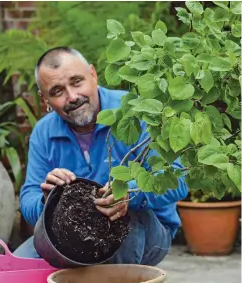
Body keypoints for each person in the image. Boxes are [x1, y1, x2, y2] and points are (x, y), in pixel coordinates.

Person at [15, 46, 188, 265]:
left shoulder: (135, 112)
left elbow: (178, 181)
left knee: (121, 220)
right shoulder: (43, 132)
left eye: (77, 82)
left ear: (93, 75)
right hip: (74, 235)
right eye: (57, 91)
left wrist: (129, 194)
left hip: (147, 231)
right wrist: (46, 200)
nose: (72, 97)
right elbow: (29, 200)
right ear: (45, 99)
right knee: (19, 264)